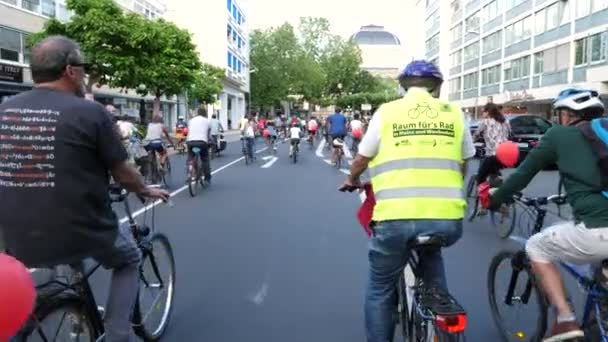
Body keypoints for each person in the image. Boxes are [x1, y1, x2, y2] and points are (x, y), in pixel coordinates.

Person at [0, 36, 169, 342]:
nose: (85, 75)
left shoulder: (5, 109)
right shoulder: (91, 113)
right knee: (128, 258)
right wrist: (145, 190)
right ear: (69, 71)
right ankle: (118, 334)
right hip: (80, 229)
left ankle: (76, 317)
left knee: (58, 255)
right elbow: (123, 172)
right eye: (83, 68)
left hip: (14, 234)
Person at [339, 60, 475, 342]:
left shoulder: (387, 112)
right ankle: (441, 311)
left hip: (396, 220)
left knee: (380, 287)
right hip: (447, 220)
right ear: (437, 87)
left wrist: (352, 179)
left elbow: (362, 157)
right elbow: (464, 162)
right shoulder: (454, 113)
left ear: (403, 86)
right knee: (432, 253)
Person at [487, 87, 608, 342]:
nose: (559, 118)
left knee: (537, 247)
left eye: (561, 113)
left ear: (569, 115)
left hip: (599, 230)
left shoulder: (559, 135)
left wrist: (496, 198)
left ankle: (565, 319)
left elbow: (522, 175)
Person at [474, 103, 511, 186]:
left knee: (480, 177)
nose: (482, 114)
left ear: (488, 112)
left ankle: (482, 195)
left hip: (492, 154)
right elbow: (510, 134)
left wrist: (472, 142)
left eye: (483, 112)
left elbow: (476, 134)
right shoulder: (505, 121)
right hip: (506, 154)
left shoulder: (486, 122)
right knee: (494, 170)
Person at [187, 108, 212, 184]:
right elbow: (208, 134)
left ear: (197, 113)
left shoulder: (191, 120)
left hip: (190, 142)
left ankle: (189, 172)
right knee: (205, 159)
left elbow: (189, 131)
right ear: (205, 113)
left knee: (190, 158)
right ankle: (207, 177)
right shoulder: (207, 121)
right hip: (202, 142)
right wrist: (209, 141)